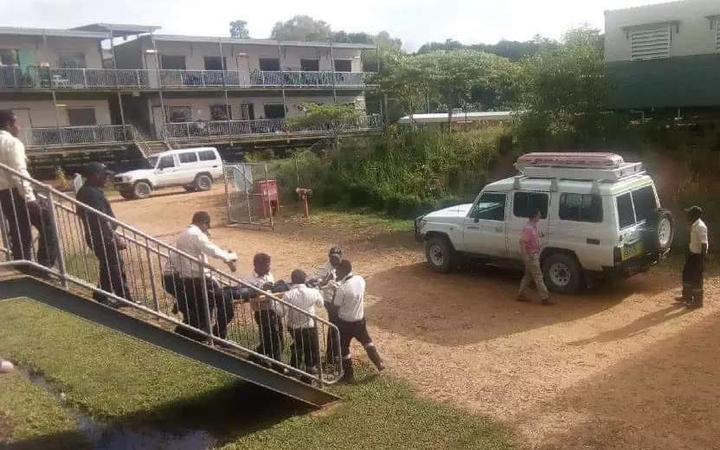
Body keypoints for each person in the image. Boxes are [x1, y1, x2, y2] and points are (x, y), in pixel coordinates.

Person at [163, 211, 238, 341]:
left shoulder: (184, 235)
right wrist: (230, 256)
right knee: (226, 305)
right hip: (201, 281)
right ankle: (217, 335)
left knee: (201, 314)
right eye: (207, 226)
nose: (207, 229)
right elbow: (212, 250)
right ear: (204, 223)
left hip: (189, 280)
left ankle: (207, 336)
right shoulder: (195, 234)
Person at [0, 110, 57, 270]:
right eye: (17, 123)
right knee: (47, 223)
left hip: (4, 194)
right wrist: (30, 199)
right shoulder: (12, 143)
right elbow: (19, 172)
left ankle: (23, 265)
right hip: (18, 193)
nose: (19, 127)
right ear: (9, 124)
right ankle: (45, 265)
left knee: (20, 230)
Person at [76, 162, 133, 307]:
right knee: (115, 266)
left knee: (107, 266)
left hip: (99, 235)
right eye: (104, 175)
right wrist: (114, 237)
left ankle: (101, 294)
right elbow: (99, 219)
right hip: (102, 236)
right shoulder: (91, 193)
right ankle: (124, 297)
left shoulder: (88, 191)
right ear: (95, 176)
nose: (106, 179)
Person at [333, 259, 384, 383]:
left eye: (338, 271)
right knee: (367, 342)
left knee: (344, 348)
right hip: (360, 321)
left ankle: (349, 375)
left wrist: (335, 289)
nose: (336, 273)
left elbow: (336, 304)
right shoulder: (360, 280)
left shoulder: (343, 288)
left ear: (344, 271)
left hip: (345, 323)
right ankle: (379, 362)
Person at [280, 269, 324, 375]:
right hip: (309, 326)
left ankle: (295, 368)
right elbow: (320, 304)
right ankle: (310, 368)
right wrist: (317, 290)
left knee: (298, 346)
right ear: (305, 279)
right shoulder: (313, 292)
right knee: (309, 347)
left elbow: (281, 312)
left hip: (294, 327)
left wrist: (272, 301)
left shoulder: (288, 295)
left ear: (292, 280)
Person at [248, 253, 285, 362]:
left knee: (277, 338)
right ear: (258, 265)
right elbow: (248, 297)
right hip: (262, 312)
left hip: (274, 309)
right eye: (266, 265)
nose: (269, 268)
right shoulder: (249, 280)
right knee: (273, 339)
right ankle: (277, 363)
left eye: (269, 265)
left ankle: (256, 356)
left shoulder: (269, 275)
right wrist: (261, 290)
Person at [309, 246, 343, 365]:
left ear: (341, 257)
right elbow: (318, 285)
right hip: (330, 301)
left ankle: (336, 354)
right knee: (335, 326)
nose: (334, 260)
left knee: (339, 327)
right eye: (332, 258)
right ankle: (331, 356)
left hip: (342, 300)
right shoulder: (325, 268)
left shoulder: (344, 266)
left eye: (337, 258)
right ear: (329, 257)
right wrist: (326, 281)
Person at [517, 209, 552, 305]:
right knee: (538, 276)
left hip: (532, 255)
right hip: (531, 255)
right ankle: (545, 298)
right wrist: (526, 256)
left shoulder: (533, 227)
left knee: (528, 276)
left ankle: (521, 294)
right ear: (535, 216)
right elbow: (522, 242)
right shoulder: (529, 228)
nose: (540, 216)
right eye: (538, 215)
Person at [678, 206, 708, 308]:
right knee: (686, 274)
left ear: (695, 215)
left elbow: (704, 244)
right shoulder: (694, 224)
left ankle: (698, 302)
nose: (687, 215)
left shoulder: (700, 226)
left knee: (696, 279)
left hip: (698, 256)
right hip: (692, 255)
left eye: (689, 214)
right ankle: (687, 297)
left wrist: (702, 260)